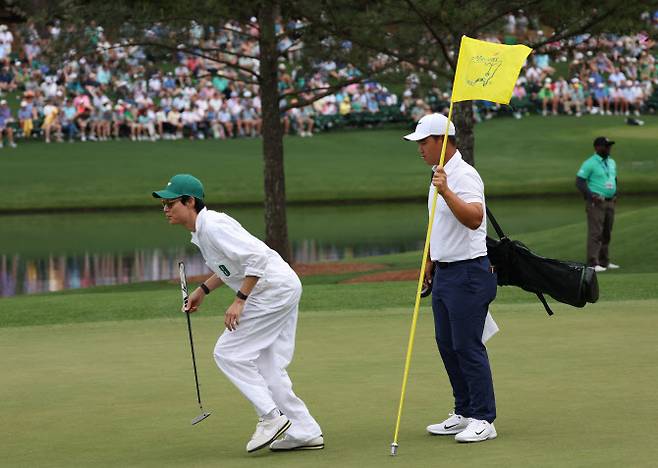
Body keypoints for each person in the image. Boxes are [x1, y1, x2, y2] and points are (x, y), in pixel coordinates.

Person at [152, 174, 323, 453]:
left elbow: (257, 258)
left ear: (190, 201)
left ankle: (271, 417)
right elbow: (231, 265)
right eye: (164, 205)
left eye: (171, 203)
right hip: (279, 288)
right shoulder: (203, 230)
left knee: (228, 352)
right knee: (268, 366)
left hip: (271, 292)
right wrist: (203, 291)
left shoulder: (214, 226)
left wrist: (239, 300)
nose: (166, 210)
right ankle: (305, 430)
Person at [403, 113, 498, 443]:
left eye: (424, 142)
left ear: (442, 141)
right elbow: (438, 226)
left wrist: (446, 192)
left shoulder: (464, 175)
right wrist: (429, 260)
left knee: (467, 346)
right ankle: (464, 411)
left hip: (469, 272)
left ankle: (484, 418)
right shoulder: (437, 175)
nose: (420, 149)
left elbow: (474, 218)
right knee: (447, 345)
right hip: (445, 272)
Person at [576, 136, 620, 272]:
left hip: (610, 202)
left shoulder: (611, 162)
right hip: (597, 202)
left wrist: (615, 193)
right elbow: (580, 181)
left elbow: (614, 178)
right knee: (596, 233)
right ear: (597, 147)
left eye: (609, 146)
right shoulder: (590, 163)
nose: (608, 148)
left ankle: (604, 261)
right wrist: (590, 196)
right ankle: (593, 263)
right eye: (605, 146)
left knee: (607, 232)